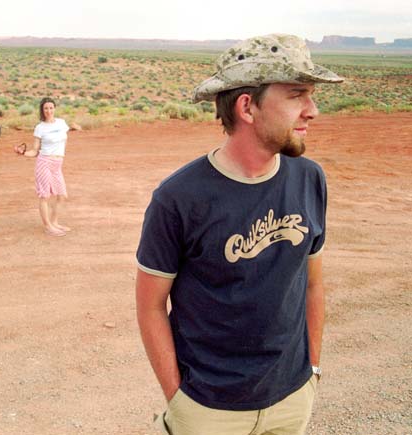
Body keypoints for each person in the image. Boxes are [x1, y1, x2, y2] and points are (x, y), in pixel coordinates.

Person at [135, 34, 343, 435]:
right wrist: (179, 399)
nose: (313, 111)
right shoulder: (179, 198)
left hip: (292, 398)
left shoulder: (309, 179)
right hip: (208, 410)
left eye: (312, 96)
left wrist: (312, 370)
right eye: (297, 95)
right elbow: (150, 305)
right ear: (247, 107)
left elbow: (313, 283)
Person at [15, 97, 71, 237]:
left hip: (57, 164)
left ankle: (54, 222)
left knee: (62, 195)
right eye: (46, 108)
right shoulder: (40, 128)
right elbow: (35, 150)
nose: (49, 111)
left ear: (54, 108)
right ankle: (48, 226)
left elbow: (63, 141)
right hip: (44, 162)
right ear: (42, 110)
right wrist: (23, 153)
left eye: (51, 108)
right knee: (44, 196)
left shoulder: (62, 123)